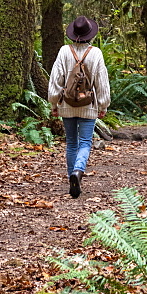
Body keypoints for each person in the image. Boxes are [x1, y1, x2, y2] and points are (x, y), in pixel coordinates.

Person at [48, 15, 110, 199]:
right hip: (89, 105)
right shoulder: (96, 53)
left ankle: (71, 178)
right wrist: (103, 105)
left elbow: (55, 80)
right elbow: (102, 81)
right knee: (85, 142)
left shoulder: (64, 52)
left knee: (71, 143)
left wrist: (54, 103)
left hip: (66, 105)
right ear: (90, 35)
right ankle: (78, 171)